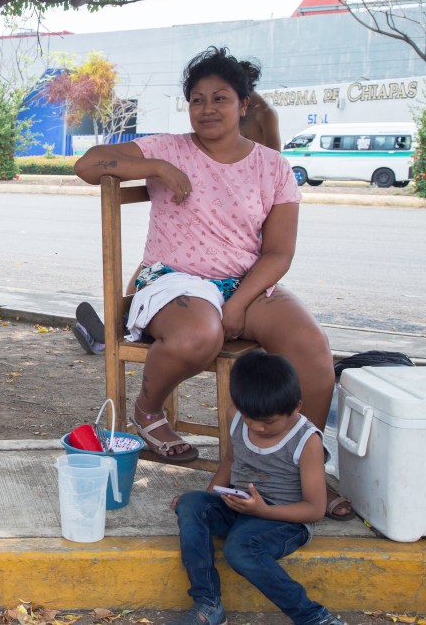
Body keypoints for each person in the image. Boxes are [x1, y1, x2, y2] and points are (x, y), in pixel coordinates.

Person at [73, 47, 335, 477]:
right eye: (197, 99)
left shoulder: (273, 167)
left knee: (313, 351)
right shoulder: (170, 148)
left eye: (220, 98)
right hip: (174, 281)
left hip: (246, 283)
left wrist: (237, 302)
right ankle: (147, 410)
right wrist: (155, 165)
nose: (207, 109)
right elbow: (88, 164)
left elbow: (278, 253)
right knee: (200, 336)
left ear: (244, 104)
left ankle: (299, 465)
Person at [169, 351, 344, 625]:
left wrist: (262, 510)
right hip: (241, 508)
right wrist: (209, 497)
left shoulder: (306, 440)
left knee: (239, 548)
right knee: (191, 503)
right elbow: (231, 460)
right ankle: (208, 604)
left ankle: (314, 617)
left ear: (296, 407)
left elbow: (314, 510)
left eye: (269, 421)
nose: (258, 427)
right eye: (251, 418)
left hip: (285, 520)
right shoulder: (236, 416)